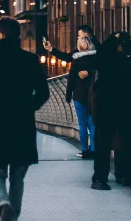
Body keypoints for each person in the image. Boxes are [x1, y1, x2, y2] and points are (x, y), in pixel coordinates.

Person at [0, 17, 50, 221]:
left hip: (0, 121)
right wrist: (29, 107)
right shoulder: (29, 60)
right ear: (18, 34)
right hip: (23, 122)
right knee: (18, 175)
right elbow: (44, 92)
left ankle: (3, 204)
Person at [89, 31, 131, 190]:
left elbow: (102, 52)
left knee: (104, 142)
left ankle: (100, 178)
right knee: (127, 141)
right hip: (125, 106)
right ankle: (125, 175)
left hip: (106, 106)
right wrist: (127, 52)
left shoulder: (104, 58)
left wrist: (116, 43)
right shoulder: (122, 59)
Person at [42, 25, 98, 159]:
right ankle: (94, 150)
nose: (77, 38)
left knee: (82, 124)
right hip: (93, 94)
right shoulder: (97, 55)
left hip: (79, 95)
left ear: (86, 37)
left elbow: (67, 61)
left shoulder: (77, 58)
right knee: (92, 123)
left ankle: (84, 150)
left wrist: (51, 49)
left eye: (79, 36)